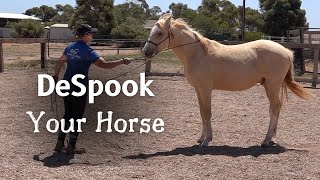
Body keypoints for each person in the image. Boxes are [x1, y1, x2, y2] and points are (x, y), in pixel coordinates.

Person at [53, 24, 132, 155]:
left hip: (66, 84)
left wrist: (55, 76)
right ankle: (71, 146)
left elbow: (60, 62)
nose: (92, 35)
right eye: (90, 33)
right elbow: (104, 65)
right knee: (77, 117)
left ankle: (59, 142)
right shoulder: (89, 52)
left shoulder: (70, 47)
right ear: (84, 35)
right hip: (80, 87)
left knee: (67, 114)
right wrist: (122, 61)